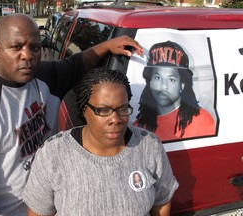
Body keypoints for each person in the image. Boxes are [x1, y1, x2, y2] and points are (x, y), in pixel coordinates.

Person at [0, 13, 143, 216]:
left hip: (54, 205)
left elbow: (76, 64)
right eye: (16, 47)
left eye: (34, 47)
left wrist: (108, 46)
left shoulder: (43, 77)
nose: (27, 55)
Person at [22, 67, 179, 216]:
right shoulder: (54, 153)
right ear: (84, 109)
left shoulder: (148, 146)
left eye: (123, 109)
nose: (115, 119)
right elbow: (39, 212)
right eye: (103, 110)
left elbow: (161, 202)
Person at [134, 40, 216, 141]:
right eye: (157, 77)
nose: (164, 86)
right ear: (150, 82)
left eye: (171, 79)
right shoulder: (138, 127)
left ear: (182, 84)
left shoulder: (202, 119)